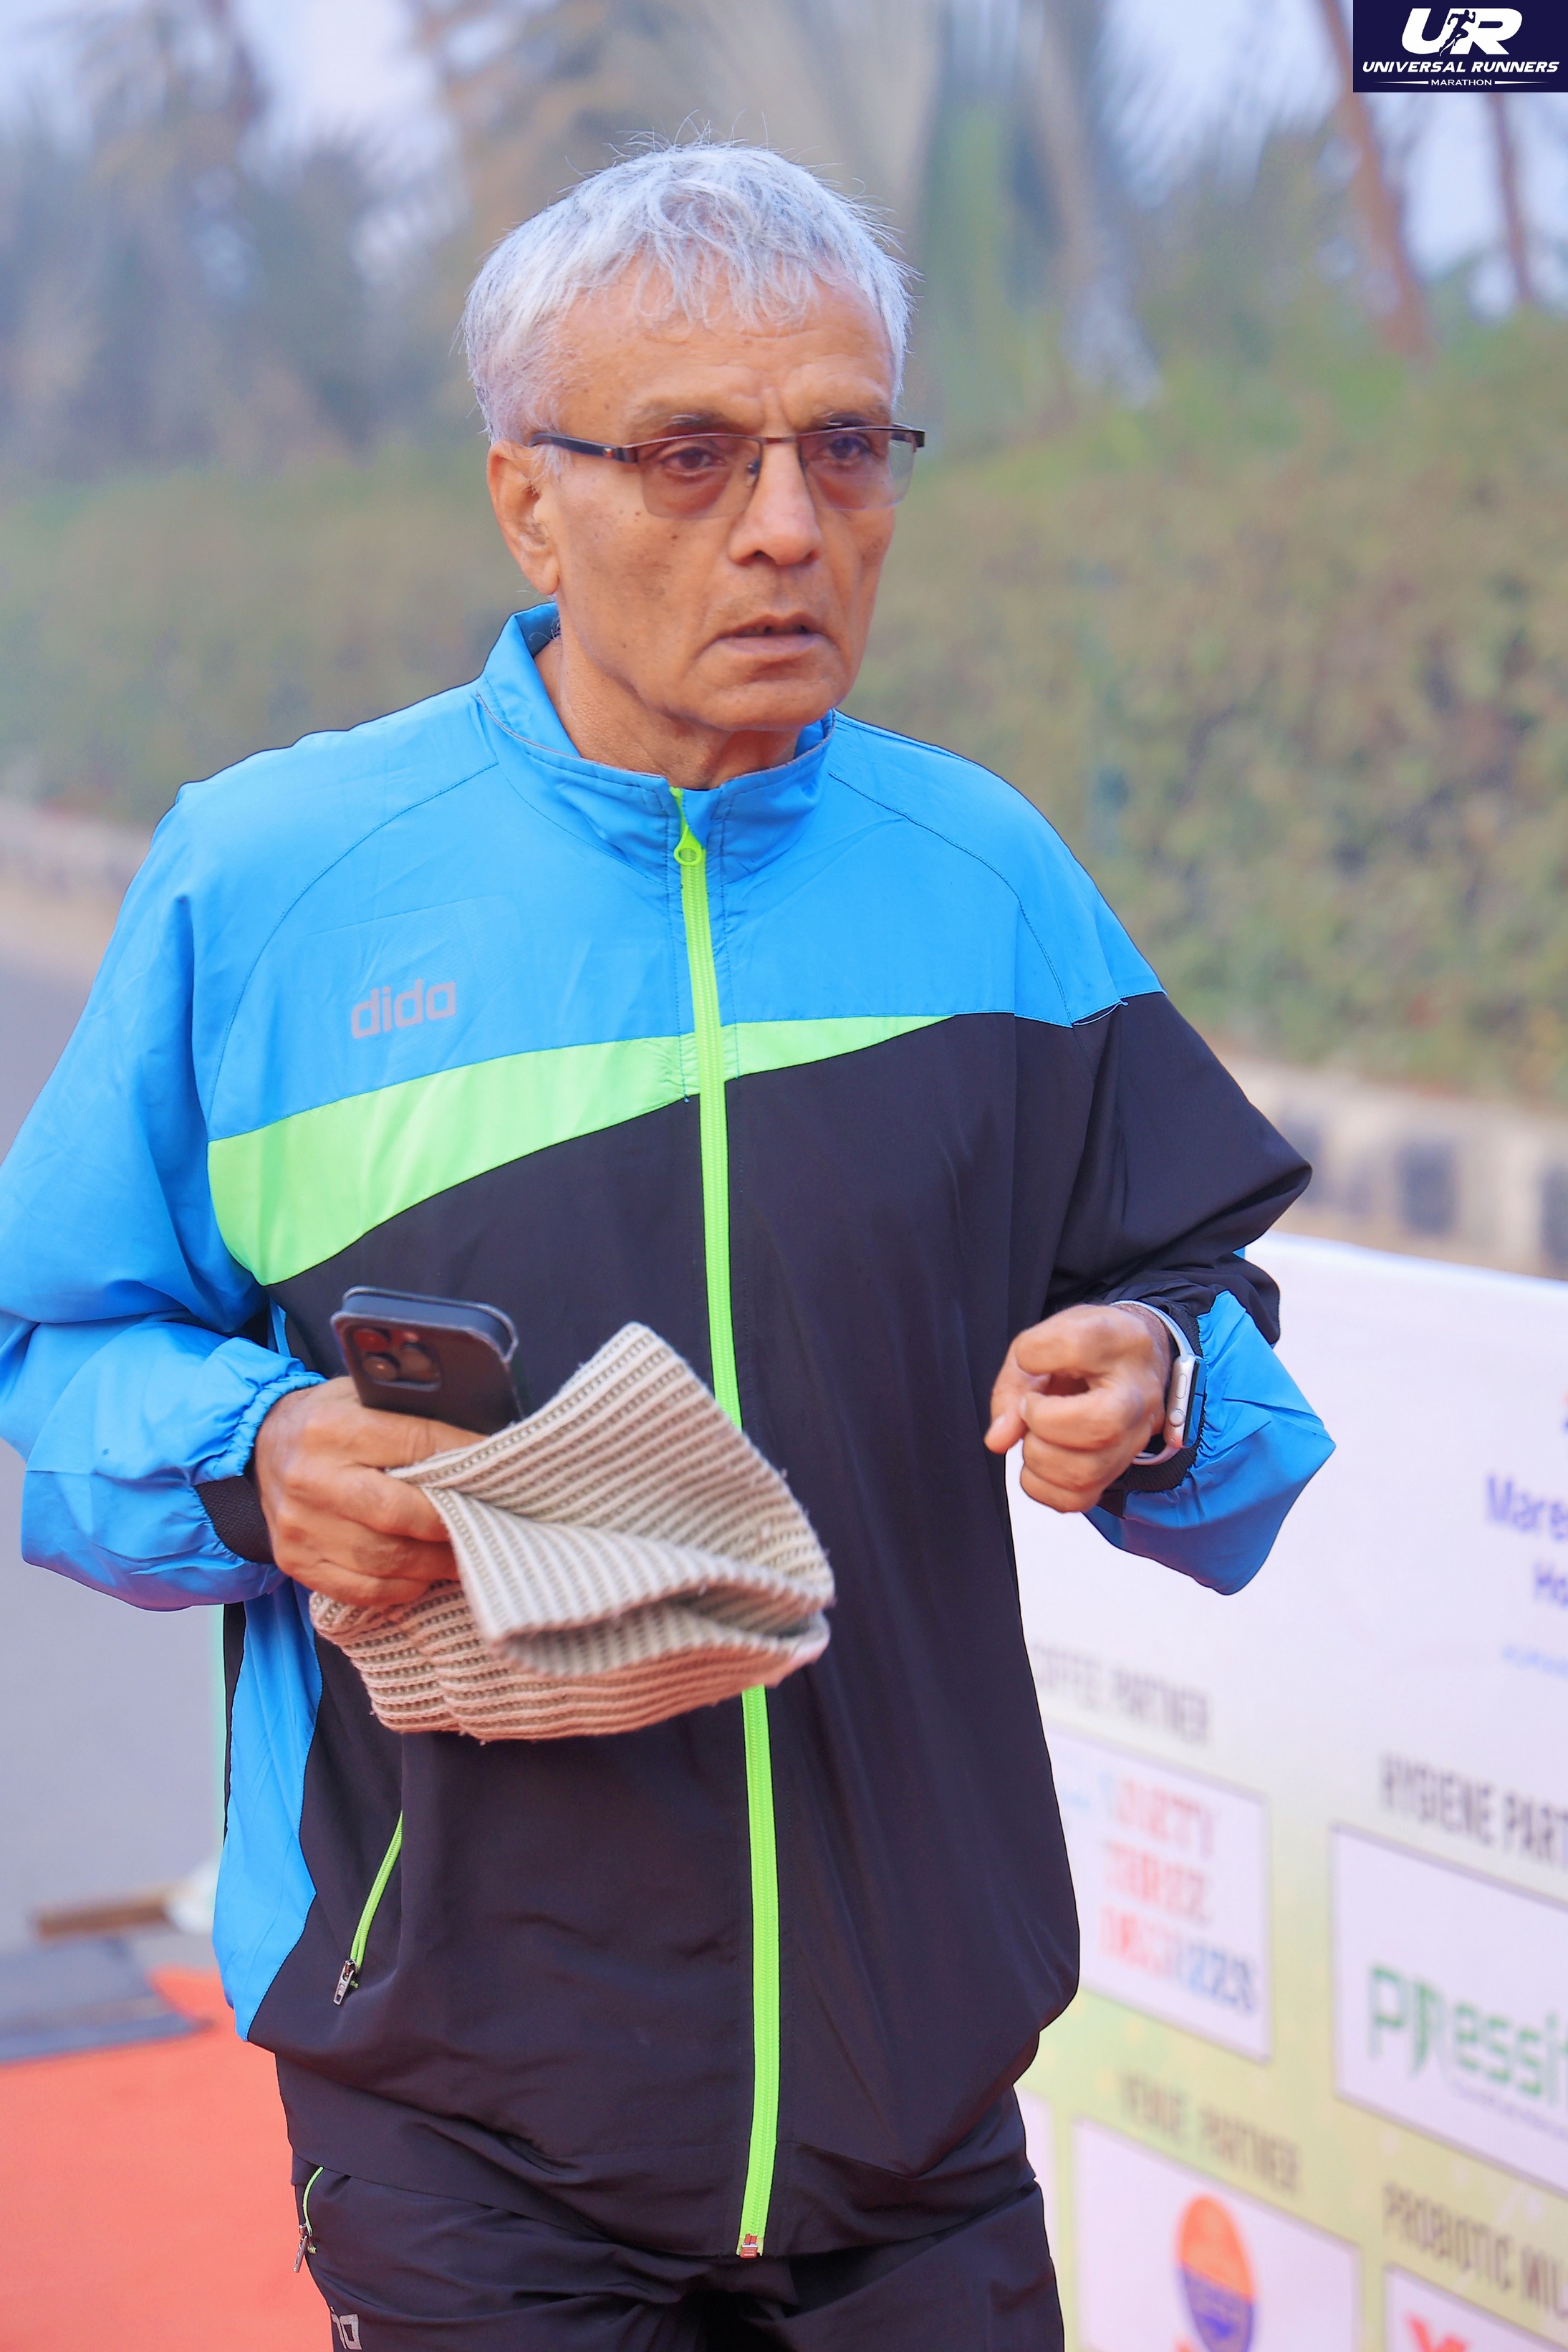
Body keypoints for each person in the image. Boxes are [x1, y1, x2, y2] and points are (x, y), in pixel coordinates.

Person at [0, 145, 1331, 2349]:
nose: (790, 524)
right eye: (694, 456)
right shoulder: (274, 878)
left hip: (921, 2108)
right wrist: (252, 1456)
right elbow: (58, 1365)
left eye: (846, 447)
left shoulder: (987, 876)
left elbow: (1218, 1325)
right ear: (530, 502)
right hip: (463, 2116)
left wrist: (1165, 1380)